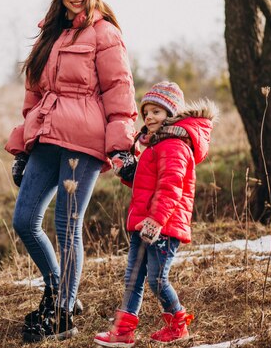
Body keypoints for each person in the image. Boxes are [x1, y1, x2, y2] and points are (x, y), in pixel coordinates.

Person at [5, 0, 138, 342]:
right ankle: (57, 290)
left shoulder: (105, 33)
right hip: (46, 138)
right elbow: (34, 96)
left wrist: (122, 147)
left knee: (66, 225)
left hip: (85, 142)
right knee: (24, 220)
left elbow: (120, 93)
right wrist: (24, 148)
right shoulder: (48, 35)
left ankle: (64, 310)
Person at [94, 81, 218, 347]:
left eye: (157, 112)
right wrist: (128, 172)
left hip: (163, 225)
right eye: (146, 112)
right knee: (133, 277)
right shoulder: (154, 145)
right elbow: (148, 183)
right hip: (143, 222)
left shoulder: (174, 145)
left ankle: (178, 324)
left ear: (171, 115)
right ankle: (123, 331)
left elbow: (171, 187)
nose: (149, 117)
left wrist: (157, 220)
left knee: (157, 278)